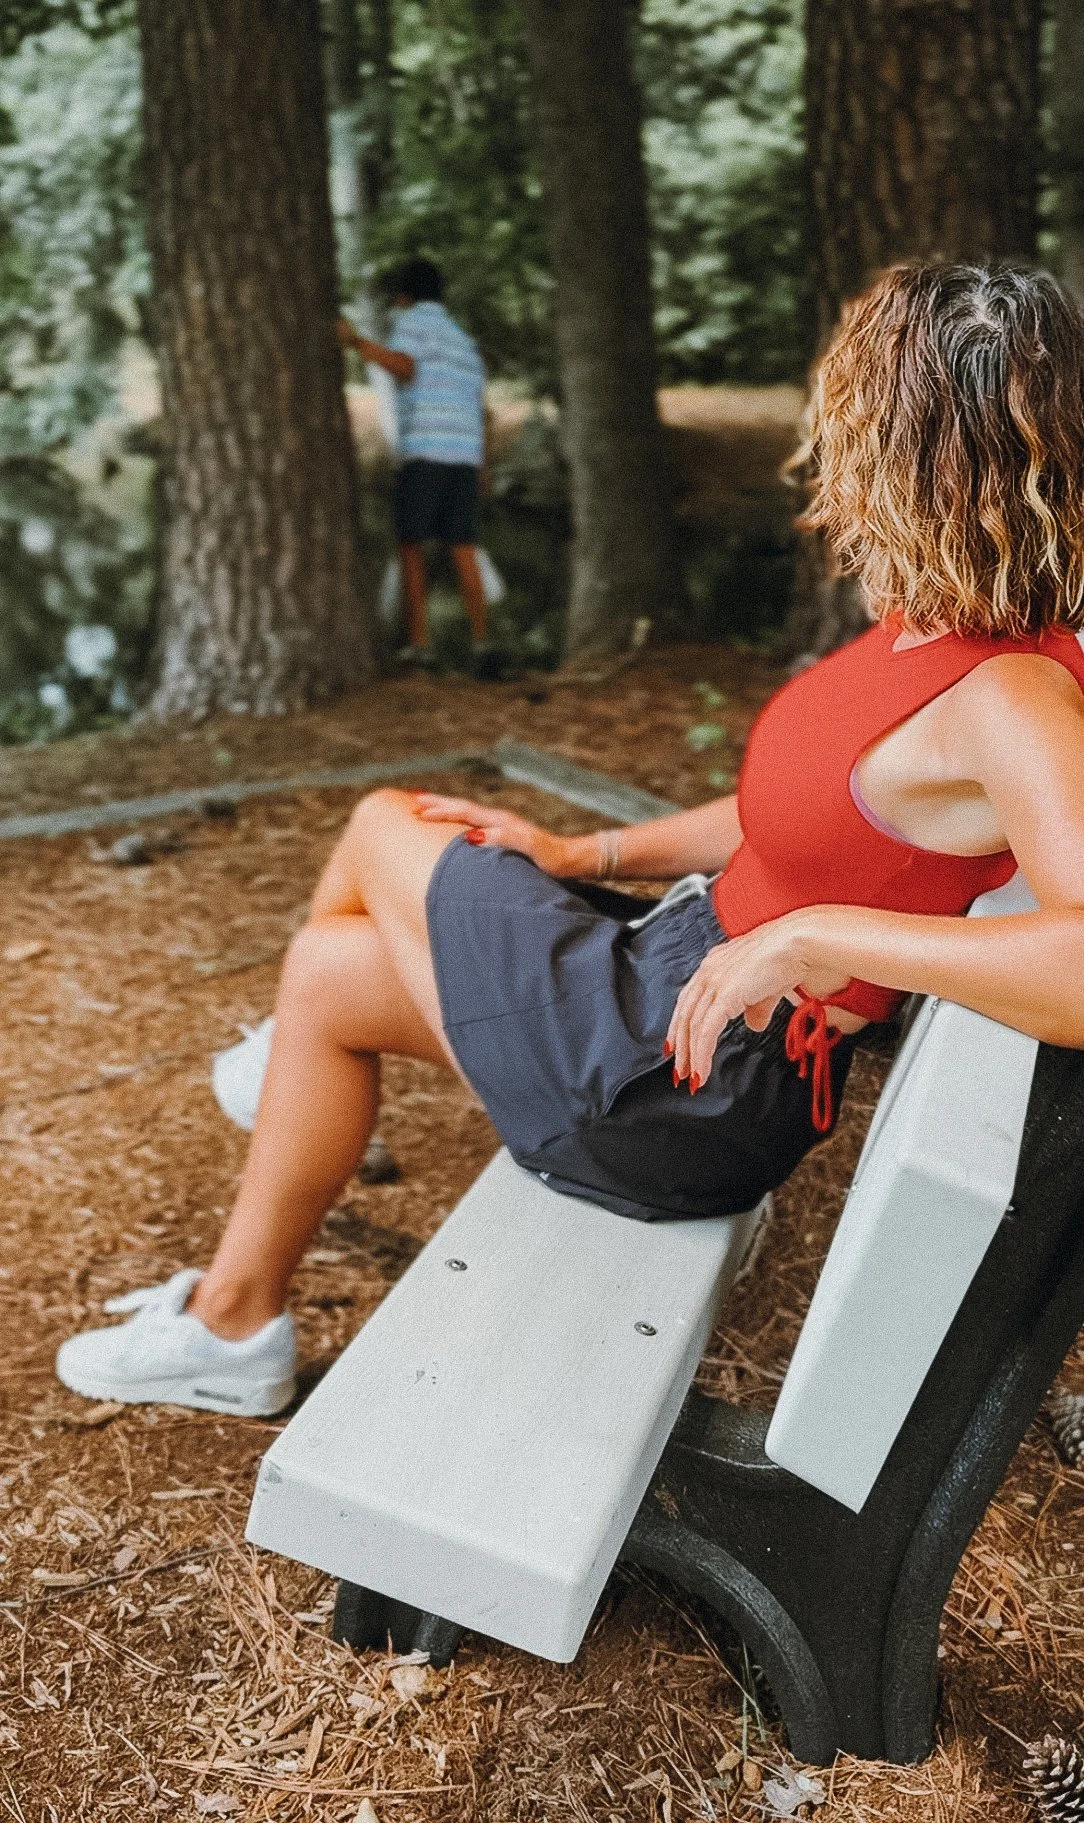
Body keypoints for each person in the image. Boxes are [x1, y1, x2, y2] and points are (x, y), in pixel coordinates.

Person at [57, 263, 1084, 1416]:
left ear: (918, 450)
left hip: (687, 1089)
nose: (828, 450)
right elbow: (793, 819)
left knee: (382, 823)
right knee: (328, 976)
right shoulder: (926, 624)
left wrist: (818, 935)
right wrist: (580, 853)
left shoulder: (1013, 699)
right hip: (673, 987)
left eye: (850, 416)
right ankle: (232, 1324)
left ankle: (257, 1099)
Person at [336, 257, 490, 668]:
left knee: (410, 545)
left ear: (403, 297)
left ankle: (419, 645)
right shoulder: (463, 340)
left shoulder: (411, 322)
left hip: (427, 448)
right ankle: (483, 642)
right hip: (465, 453)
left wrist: (357, 344)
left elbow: (406, 367)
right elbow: (481, 407)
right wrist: (483, 465)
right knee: (463, 546)